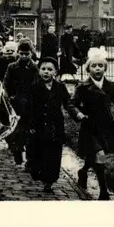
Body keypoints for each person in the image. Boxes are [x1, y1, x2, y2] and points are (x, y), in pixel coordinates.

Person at [67, 47, 114, 200]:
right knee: (100, 155)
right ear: (88, 68)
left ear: (105, 68)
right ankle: (104, 192)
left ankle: (83, 171)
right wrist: (78, 113)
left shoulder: (110, 85)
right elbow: (71, 104)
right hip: (89, 126)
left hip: (106, 126)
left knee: (95, 156)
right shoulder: (82, 87)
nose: (97, 69)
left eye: (100, 66)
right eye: (94, 66)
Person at [26, 56, 74, 193]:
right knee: (37, 154)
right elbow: (29, 108)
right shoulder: (34, 87)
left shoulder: (60, 87)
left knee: (53, 154)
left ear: (55, 72)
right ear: (39, 71)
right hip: (38, 126)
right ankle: (35, 169)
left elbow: (68, 103)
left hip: (55, 126)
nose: (46, 72)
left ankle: (49, 181)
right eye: (43, 69)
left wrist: (76, 112)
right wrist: (30, 126)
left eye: (49, 69)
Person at [3, 38, 40, 168]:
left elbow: (38, 86)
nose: (24, 56)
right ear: (18, 52)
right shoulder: (12, 67)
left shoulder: (35, 68)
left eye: (27, 54)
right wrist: (8, 98)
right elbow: (6, 84)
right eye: (22, 53)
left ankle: (29, 160)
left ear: (31, 53)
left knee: (29, 131)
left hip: (30, 104)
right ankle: (17, 152)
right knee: (14, 131)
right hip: (15, 103)